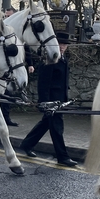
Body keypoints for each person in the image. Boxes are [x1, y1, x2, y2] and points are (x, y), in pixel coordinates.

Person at [19, 32, 77, 167]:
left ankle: (27, 144)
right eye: (60, 44)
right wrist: (43, 102)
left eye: (65, 44)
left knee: (45, 124)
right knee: (57, 128)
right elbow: (43, 83)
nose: (62, 47)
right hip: (50, 101)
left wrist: (65, 99)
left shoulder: (63, 58)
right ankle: (62, 157)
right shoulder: (49, 59)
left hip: (60, 99)